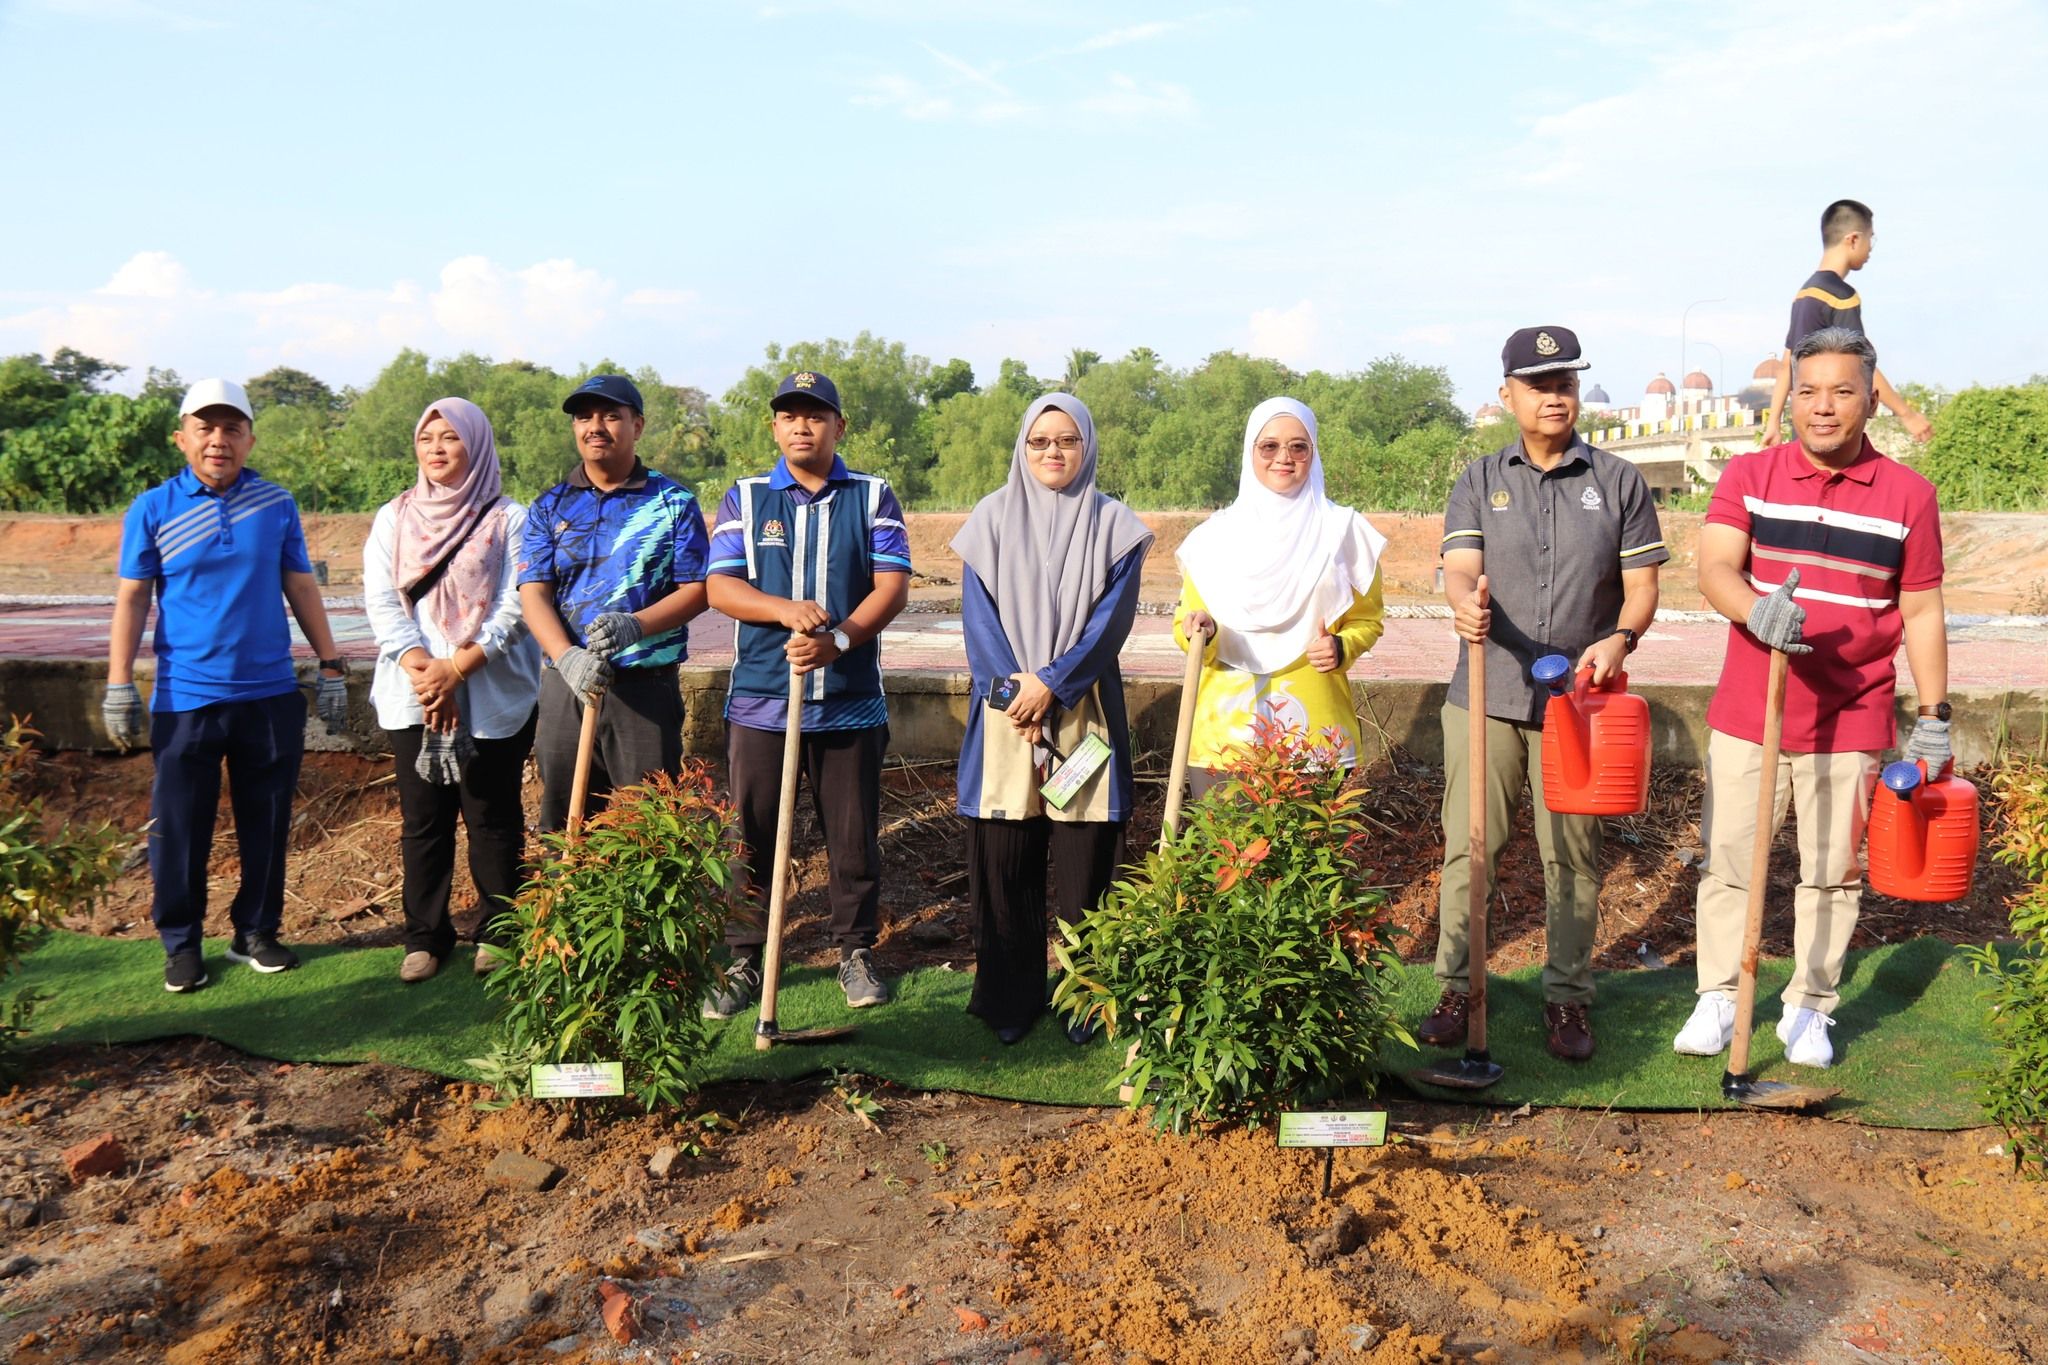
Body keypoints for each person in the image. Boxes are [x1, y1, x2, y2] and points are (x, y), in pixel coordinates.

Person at [1674, 326, 1949, 1070]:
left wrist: (1934, 716)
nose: (1822, 407)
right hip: (1751, 713)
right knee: (1730, 860)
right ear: (1789, 396)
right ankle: (1721, 994)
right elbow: (1716, 568)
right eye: (1808, 391)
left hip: (1851, 717)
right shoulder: (1750, 475)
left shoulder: (1909, 497)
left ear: (1870, 398)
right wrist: (1756, 606)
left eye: (1842, 391)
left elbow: (1921, 611)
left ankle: (1809, 1006)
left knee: (1832, 872)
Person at [1420, 327, 1669, 1063]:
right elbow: (1461, 567)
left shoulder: (1619, 481)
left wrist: (1620, 639)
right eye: (1538, 383)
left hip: (1580, 707)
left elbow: (1643, 587)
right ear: (1508, 396)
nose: (1555, 395)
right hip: (1486, 694)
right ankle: (1457, 987)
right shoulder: (1478, 478)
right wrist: (1463, 604)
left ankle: (1566, 1000)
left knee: (1572, 854)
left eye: (1565, 381)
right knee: (1472, 846)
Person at [103, 378, 349, 993]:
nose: (219, 440)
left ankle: (256, 931)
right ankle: (181, 942)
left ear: (250, 438)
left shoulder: (275, 503)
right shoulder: (153, 508)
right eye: (206, 428)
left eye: (232, 428)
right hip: (185, 695)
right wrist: (118, 683)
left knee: (265, 819)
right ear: (182, 436)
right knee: (180, 826)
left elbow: (300, 585)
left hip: (266, 694)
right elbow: (132, 600)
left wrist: (331, 663)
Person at [701, 371, 912, 1018]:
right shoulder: (746, 496)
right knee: (752, 835)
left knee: (852, 838)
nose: (802, 425)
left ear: (839, 426)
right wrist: (783, 609)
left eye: (816, 415)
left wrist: (839, 640)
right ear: (774, 427)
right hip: (764, 699)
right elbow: (721, 588)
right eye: (789, 415)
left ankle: (854, 951)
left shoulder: (872, 495)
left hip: (848, 697)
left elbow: (891, 586)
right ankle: (745, 955)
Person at [951, 394, 1153, 1045]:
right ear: (1023, 447)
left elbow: (1110, 625)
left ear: (1087, 445)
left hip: (1082, 715)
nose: (1053, 452)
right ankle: (1010, 997)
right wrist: (1018, 691)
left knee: (1083, 864)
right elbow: (979, 621)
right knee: (1005, 859)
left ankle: (1083, 999)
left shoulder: (1116, 525)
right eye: (1040, 441)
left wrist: (1054, 685)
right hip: (1008, 717)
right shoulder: (989, 519)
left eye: (1066, 440)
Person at [363, 397, 541, 983]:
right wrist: (423, 667)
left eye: (451, 438)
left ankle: (499, 929)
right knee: (424, 820)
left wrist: (457, 669)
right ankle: (425, 937)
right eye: (427, 439)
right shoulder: (394, 518)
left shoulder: (509, 519)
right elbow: (383, 601)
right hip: (414, 691)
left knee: (492, 815)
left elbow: (517, 603)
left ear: (477, 444)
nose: (437, 450)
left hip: (488, 691)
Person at [517, 374, 710, 834]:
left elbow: (698, 590)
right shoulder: (549, 507)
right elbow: (534, 593)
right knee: (566, 823)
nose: (595, 426)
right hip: (567, 687)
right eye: (584, 417)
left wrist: (636, 626)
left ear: (637, 426)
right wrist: (567, 657)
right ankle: (566, 906)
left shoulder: (673, 503)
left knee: (649, 830)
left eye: (611, 415)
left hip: (645, 689)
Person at [1173, 397, 1387, 795]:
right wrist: (1198, 630)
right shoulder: (1211, 539)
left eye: (1298, 446)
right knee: (1229, 854)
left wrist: (1342, 647)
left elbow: (1367, 619)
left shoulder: (1345, 532)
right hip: (1224, 734)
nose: (1283, 457)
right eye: (1269, 446)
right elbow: (1187, 625)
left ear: (1314, 452)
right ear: (1250, 452)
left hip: (1315, 734)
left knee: (1310, 855)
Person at [1762, 198, 1932, 446]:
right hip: (1833, 434)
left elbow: (1788, 363)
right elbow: (1862, 368)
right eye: (1870, 239)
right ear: (1853, 239)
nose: (1871, 249)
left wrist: (1773, 423)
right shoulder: (1840, 296)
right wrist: (1907, 415)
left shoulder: (1805, 293)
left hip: (1805, 433)